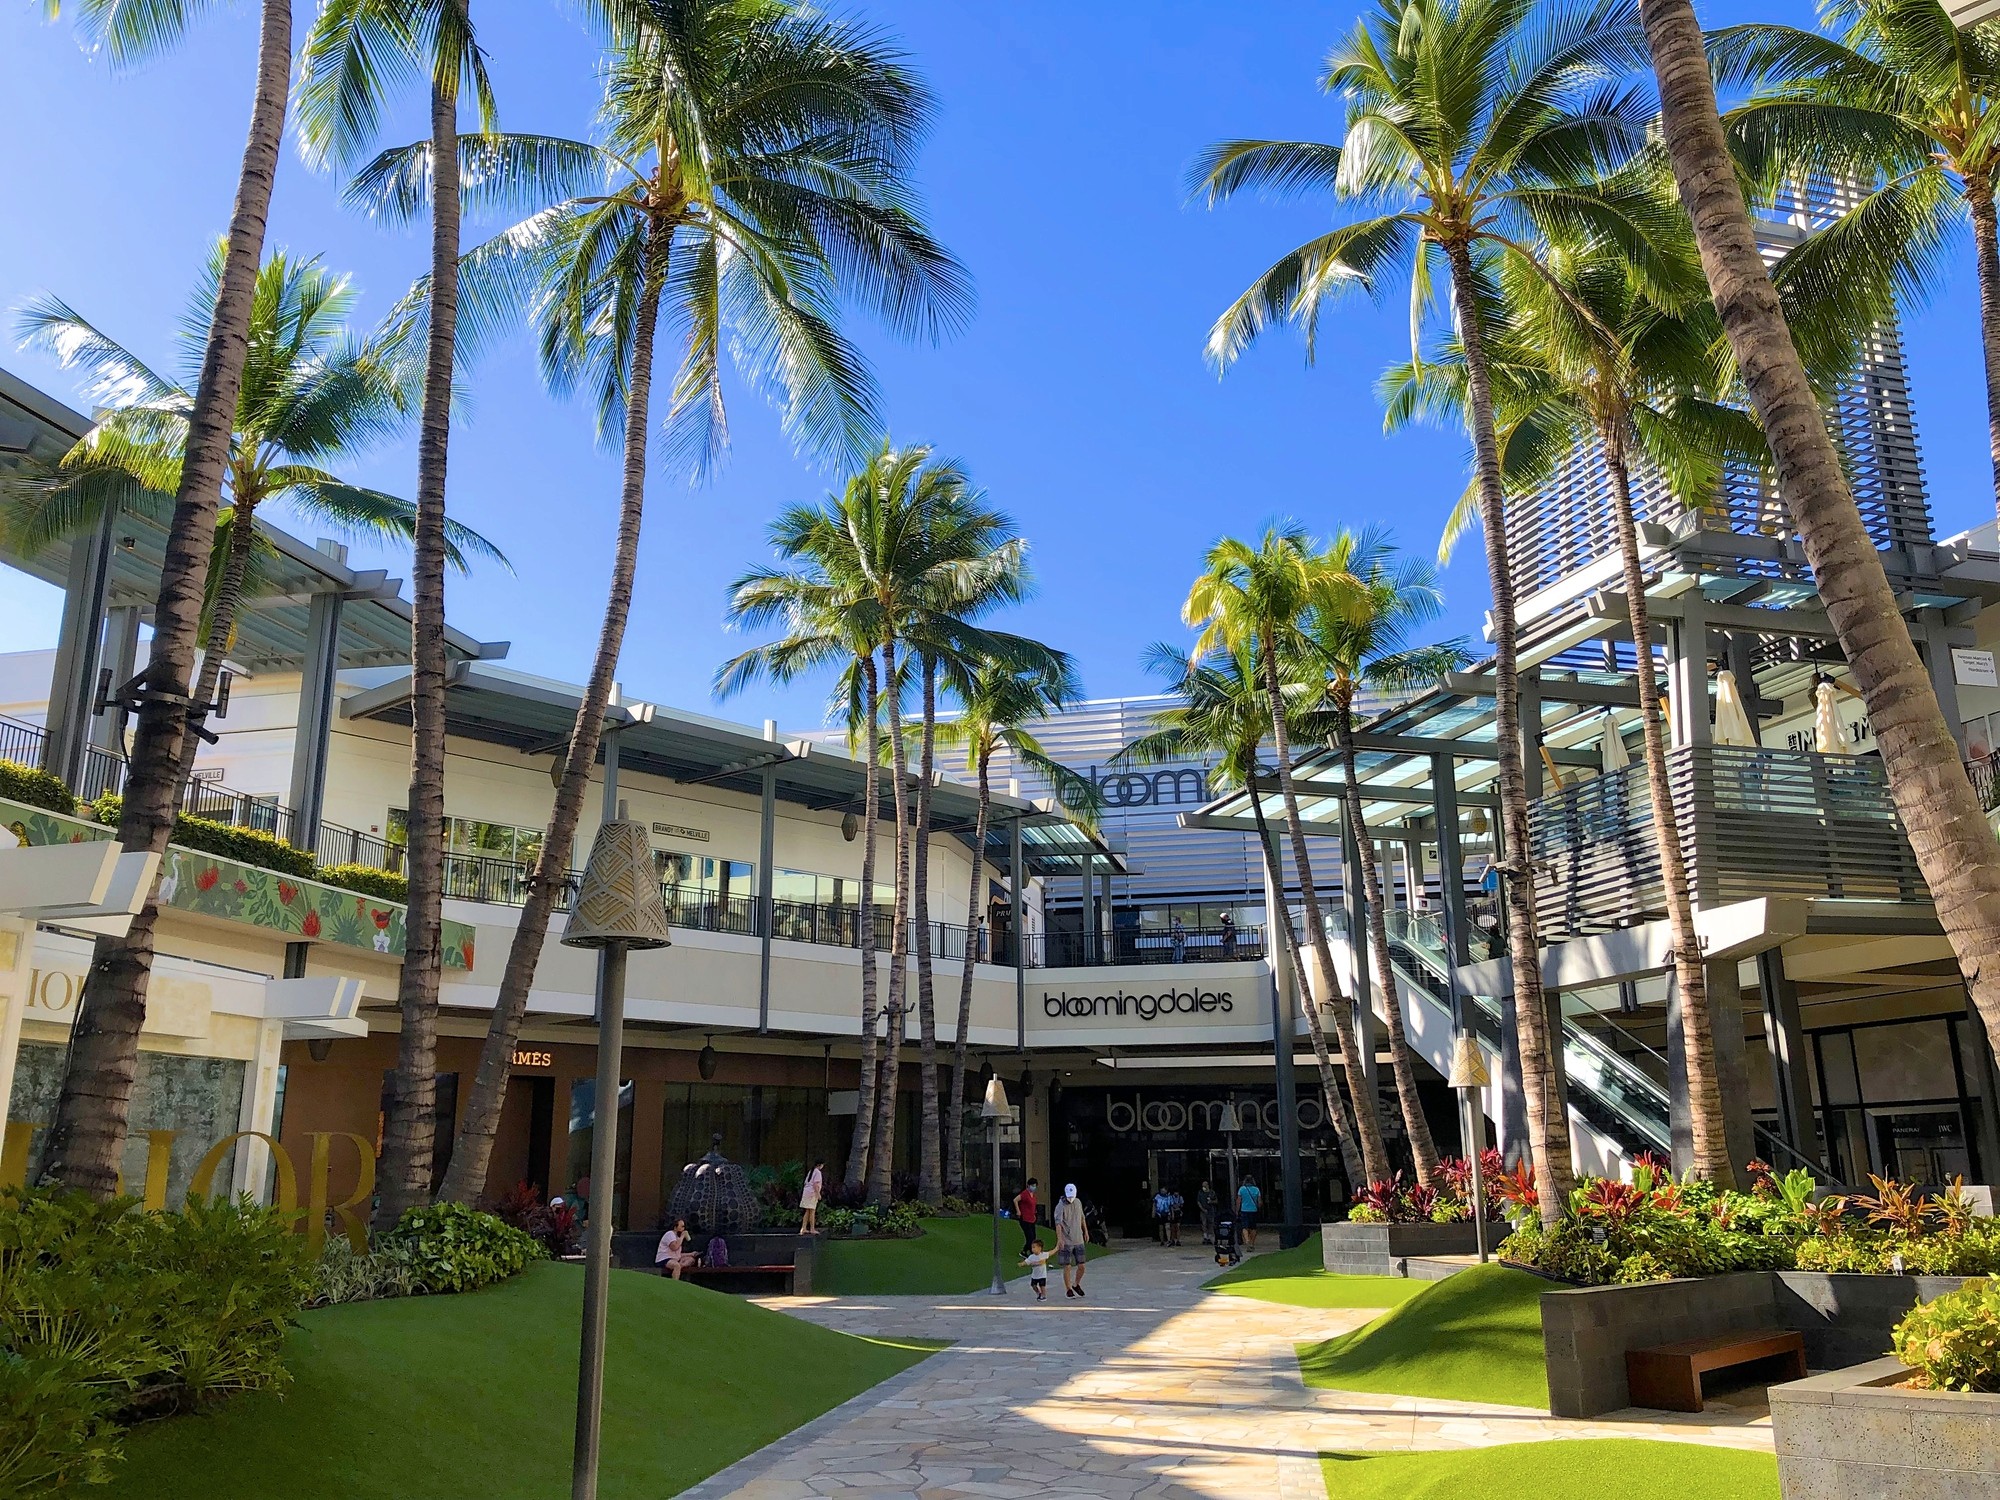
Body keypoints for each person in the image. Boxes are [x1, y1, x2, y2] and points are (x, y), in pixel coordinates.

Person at [1054, 1182, 1089, 1298]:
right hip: (1067, 1240)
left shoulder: (1078, 1202)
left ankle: (1076, 1284)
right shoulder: (1060, 1206)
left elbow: (1082, 1218)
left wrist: (1086, 1231)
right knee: (1067, 1266)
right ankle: (1068, 1288)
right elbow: (1058, 1224)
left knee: (1082, 1266)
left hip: (1078, 1238)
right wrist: (1060, 1239)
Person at [1013, 1177, 1039, 1254]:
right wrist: (1018, 1211)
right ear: (1028, 1185)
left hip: (1031, 1219)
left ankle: (1030, 1251)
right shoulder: (1025, 1194)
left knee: (1033, 1237)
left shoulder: (1033, 1195)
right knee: (1030, 1237)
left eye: (1035, 1186)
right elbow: (1015, 1200)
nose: (1034, 1187)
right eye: (1032, 1185)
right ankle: (1025, 1251)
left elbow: (1033, 1206)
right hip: (1025, 1219)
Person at [1237, 1177, 1263, 1249]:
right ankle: (1252, 1243)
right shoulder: (1256, 1189)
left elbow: (1238, 1201)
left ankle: (1247, 1240)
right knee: (1253, 1228)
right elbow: (1259, 1202)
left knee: (1245, 1227)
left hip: (1244, 1210)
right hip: (1253, 1210)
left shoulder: (1242, 1189)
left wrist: (1236, 1210)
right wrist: (1259, 1207)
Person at [799, 1161, 824, 1235]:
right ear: (820, 1165)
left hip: (806, 1192)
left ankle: (803, 1228)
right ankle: (812, 1229)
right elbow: (815, 1184)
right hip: (812, 1193)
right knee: (812, 1211)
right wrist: (818, 1194)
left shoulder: (811, 1171)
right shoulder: (818, 1172)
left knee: (807, 1211)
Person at [1197, 1180, 1217, 1245]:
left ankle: (1210, 1237)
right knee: (1204, 1224)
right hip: (1203, 1211)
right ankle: (1205, 1237)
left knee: (1211, 1224)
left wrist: (1211, 1202)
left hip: (1211, 1210)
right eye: (1203, 1186)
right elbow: (1198, 1202)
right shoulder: (1200, 1193)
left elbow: (1216, 1201)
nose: (1203, 1187)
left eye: (1205, 1186)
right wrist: (1202, 1209)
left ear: (1207, 1185)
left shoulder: (1212, 1192)